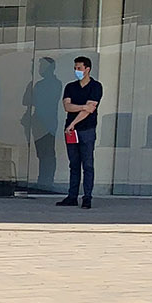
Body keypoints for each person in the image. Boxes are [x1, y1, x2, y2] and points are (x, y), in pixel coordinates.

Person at [58, 56, 104, 209]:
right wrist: (83, 106)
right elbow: (67, 107)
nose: (76, 71)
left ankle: (87, 197)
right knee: (74, 164)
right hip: (71, 132)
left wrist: (73, 123)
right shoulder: (70, 87)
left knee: (88, 164)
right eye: (75, 68)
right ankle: (72, 196)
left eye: (79, 68)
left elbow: (90, 109)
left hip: (86, 130)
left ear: (87, 69)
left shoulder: (96, 86)